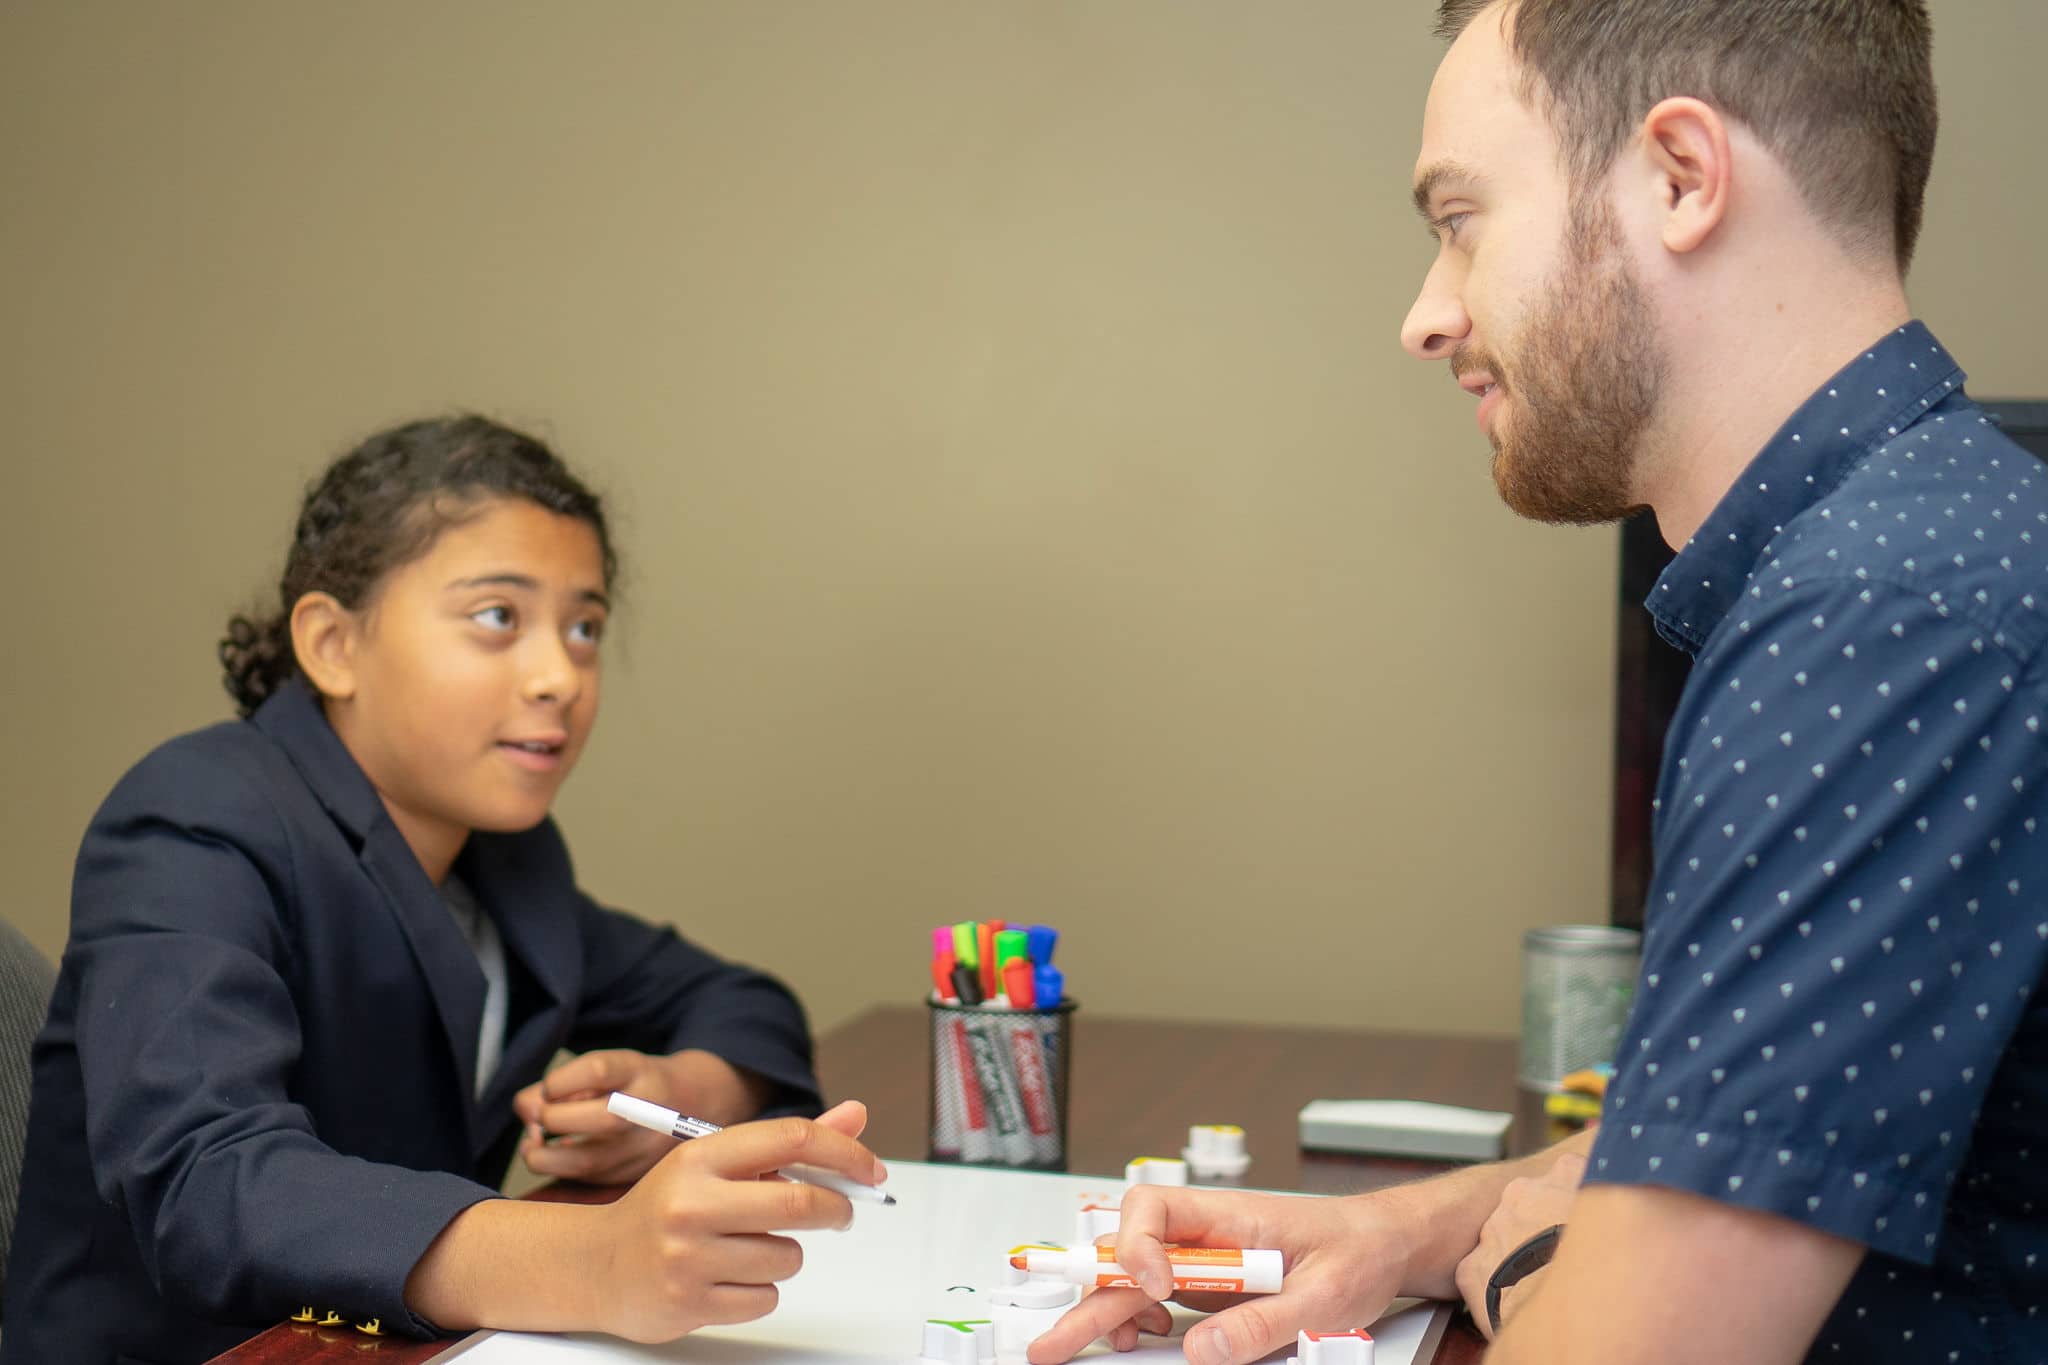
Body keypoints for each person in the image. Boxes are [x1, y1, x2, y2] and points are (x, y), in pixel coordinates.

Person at [1030, 1, 2047, 1362]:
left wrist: (1533, 1278)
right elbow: (1747, 1144)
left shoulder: (1871, 624)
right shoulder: (1929, 545)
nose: (1426, 316)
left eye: (1461, 220)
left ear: (1683, 177)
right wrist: (1407, 1234)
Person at [1, 416, 887, 1363]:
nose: (561, 676)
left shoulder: (506, 860)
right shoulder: (191, 819)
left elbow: (738, 998)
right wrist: (589, 1257)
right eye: (499, 617)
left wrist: (677, 1089)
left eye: (585, 628)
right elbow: (208, 1180)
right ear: (333, 643)